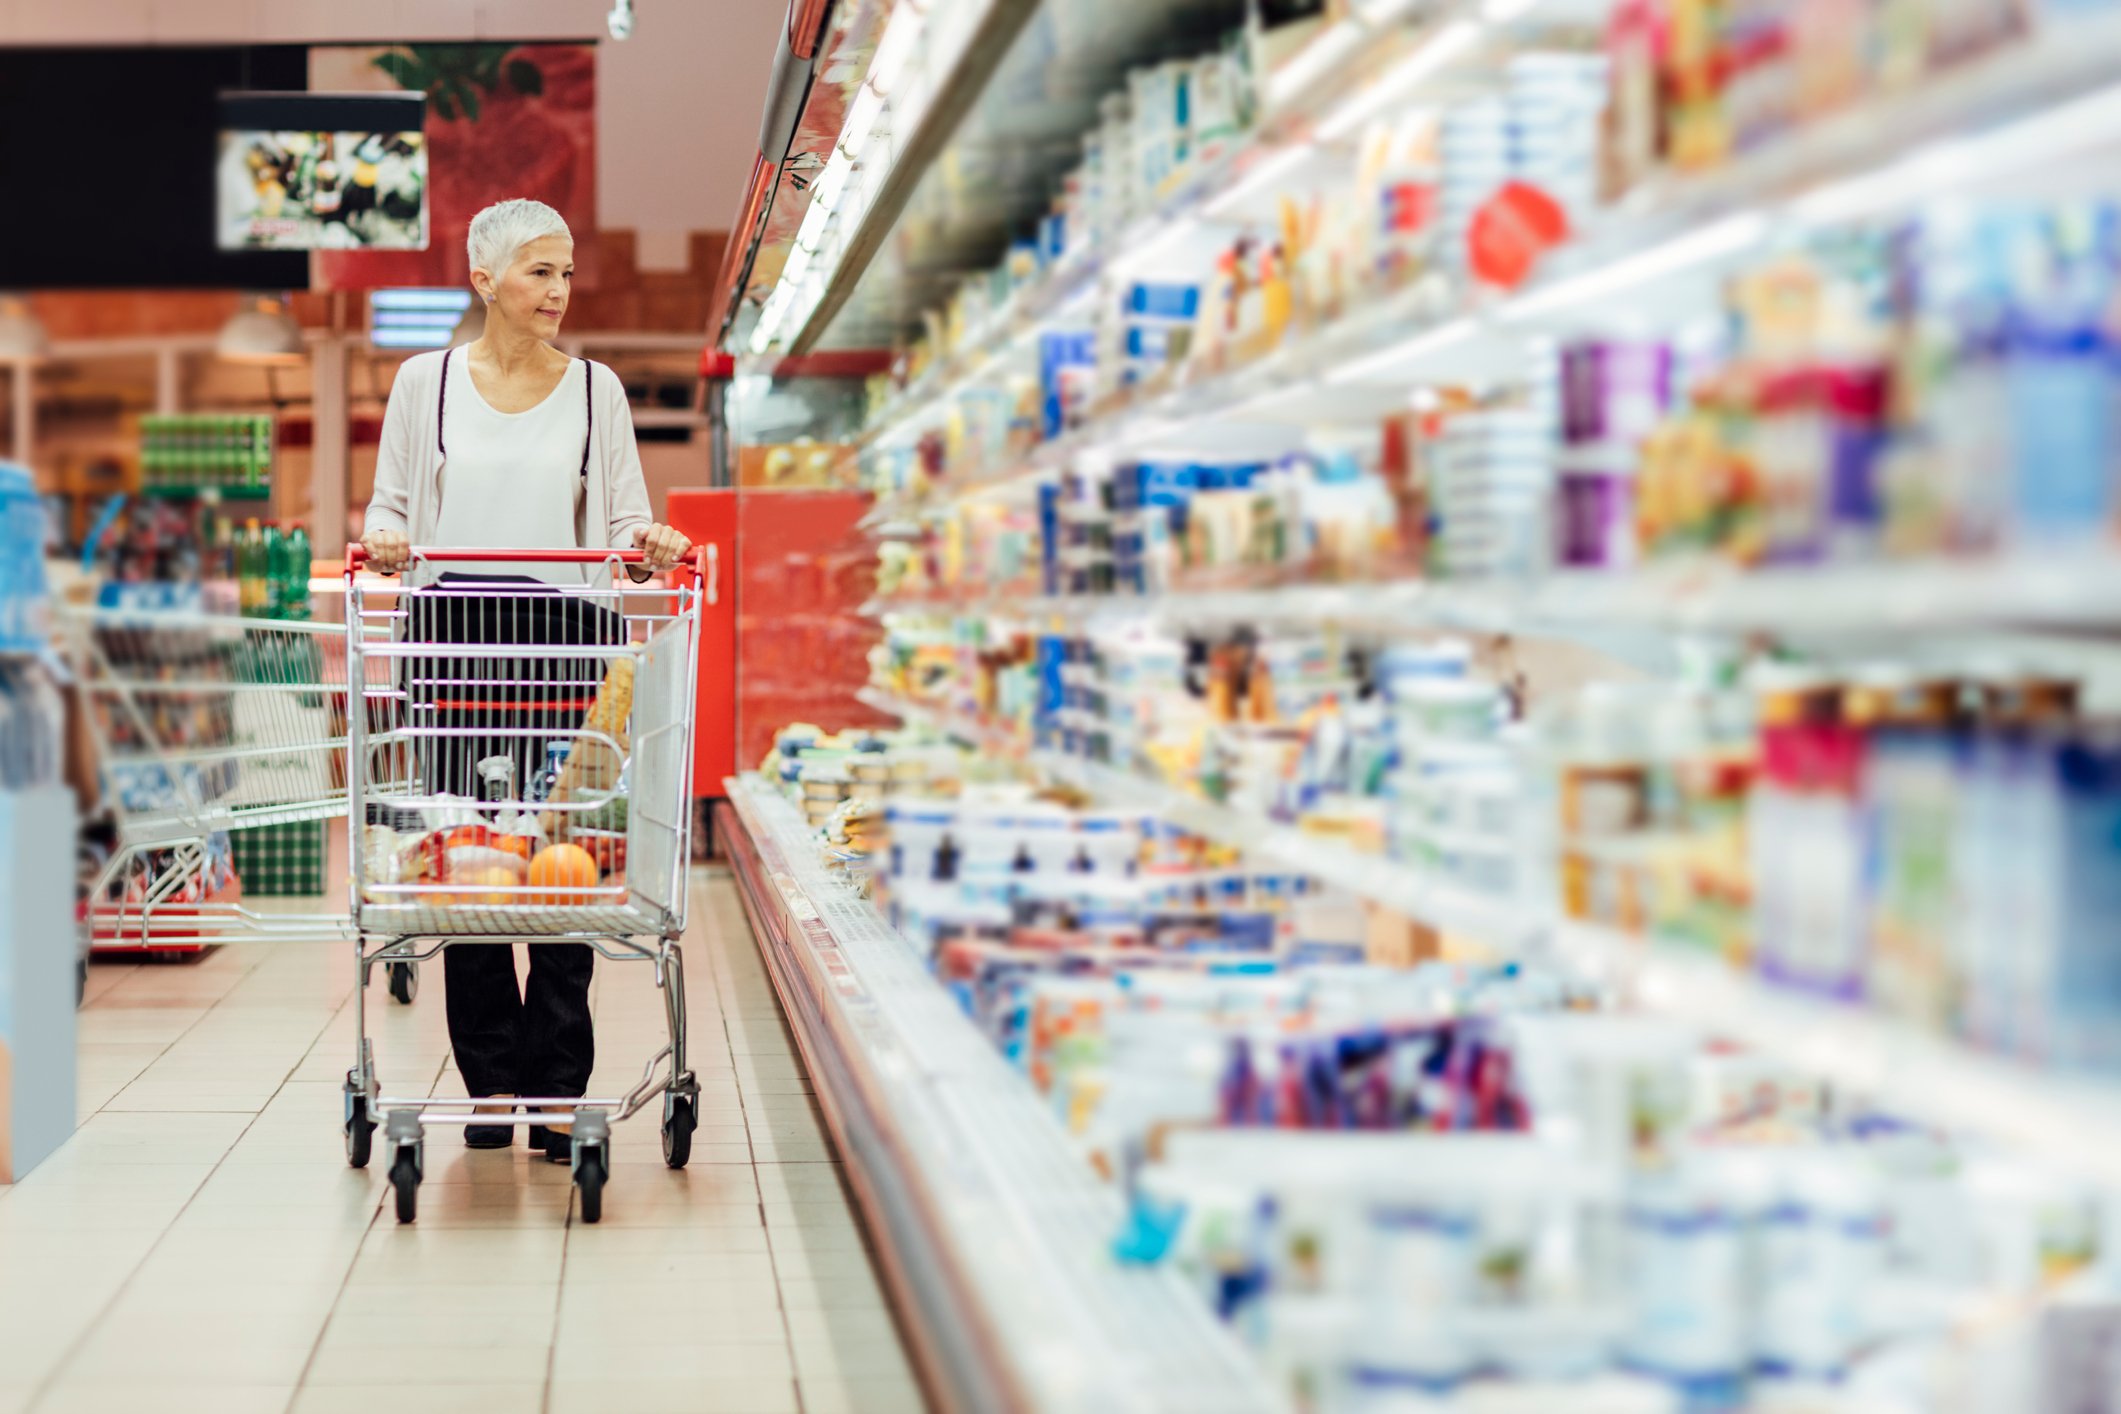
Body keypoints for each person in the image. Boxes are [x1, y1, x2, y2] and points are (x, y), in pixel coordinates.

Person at [361, 197, 691, 1157]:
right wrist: (386, 537)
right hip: (451, 630)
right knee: (469, 858)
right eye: (539, 272)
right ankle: (491, 1080)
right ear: (485, 280)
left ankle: (556, 1086)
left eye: (565, 271)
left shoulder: (596, 390)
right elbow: (390, 501)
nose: (560, 290)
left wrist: (650, 543)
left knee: (564, 854)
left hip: (564, 632)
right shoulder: (423, 384)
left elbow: (626, 525)